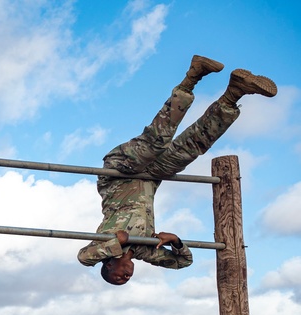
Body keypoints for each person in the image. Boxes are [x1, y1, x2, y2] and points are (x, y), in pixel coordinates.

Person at [78, 56, 277, 285]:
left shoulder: (102, 246)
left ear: (109, 265)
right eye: (126, 280)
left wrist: (116, 243)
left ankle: (193, 75)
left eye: (117, 278)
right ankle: (235, 92)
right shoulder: (146, 250)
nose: (126, 277)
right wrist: (176, 241)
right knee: (191, 147)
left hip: (118, 173)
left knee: (156, 142)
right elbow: (182, 262)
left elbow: (84, 258)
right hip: (149, 177)